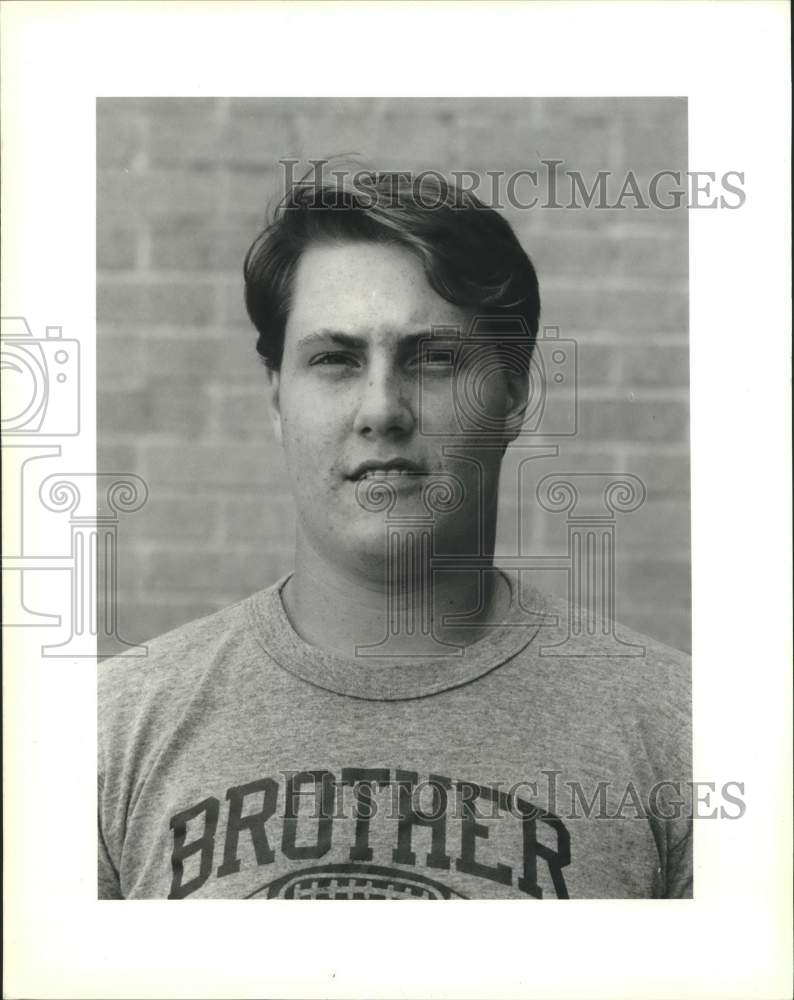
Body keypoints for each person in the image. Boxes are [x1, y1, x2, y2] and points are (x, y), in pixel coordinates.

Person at [98, 170, 692, 900]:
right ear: (278, 398)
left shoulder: (682, 737)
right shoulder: (111, 731)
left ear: (512, 396)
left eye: (434, 358)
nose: (382, 409)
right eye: (335, 360)